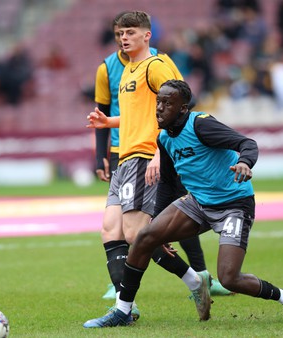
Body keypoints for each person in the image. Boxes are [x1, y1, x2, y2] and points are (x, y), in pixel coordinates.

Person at [83, 80, 283, 327]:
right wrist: (157, 223)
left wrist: (245, 163)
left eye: (167, 103)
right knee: (145, 237)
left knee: (229, 278)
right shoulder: (164, 138)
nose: (159, 108)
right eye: (158, 102)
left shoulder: (200, 124)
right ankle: (123, 311)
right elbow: (167, 183)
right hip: (197, 203)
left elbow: (247, 143)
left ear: (183, 109)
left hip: (234, 204)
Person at [94, 12, 231, 304]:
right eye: (120, 34)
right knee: (110, 229)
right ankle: (128, 302)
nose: (124, 38)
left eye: (130, 33)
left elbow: (179, 106)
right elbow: (137, 115)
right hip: (124, 158)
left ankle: (193, 282)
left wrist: (160, 151)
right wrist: (109, 123)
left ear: (147, 35)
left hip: (144, 155)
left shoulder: (155, 66)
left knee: (136, 233)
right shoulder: (127, 70)